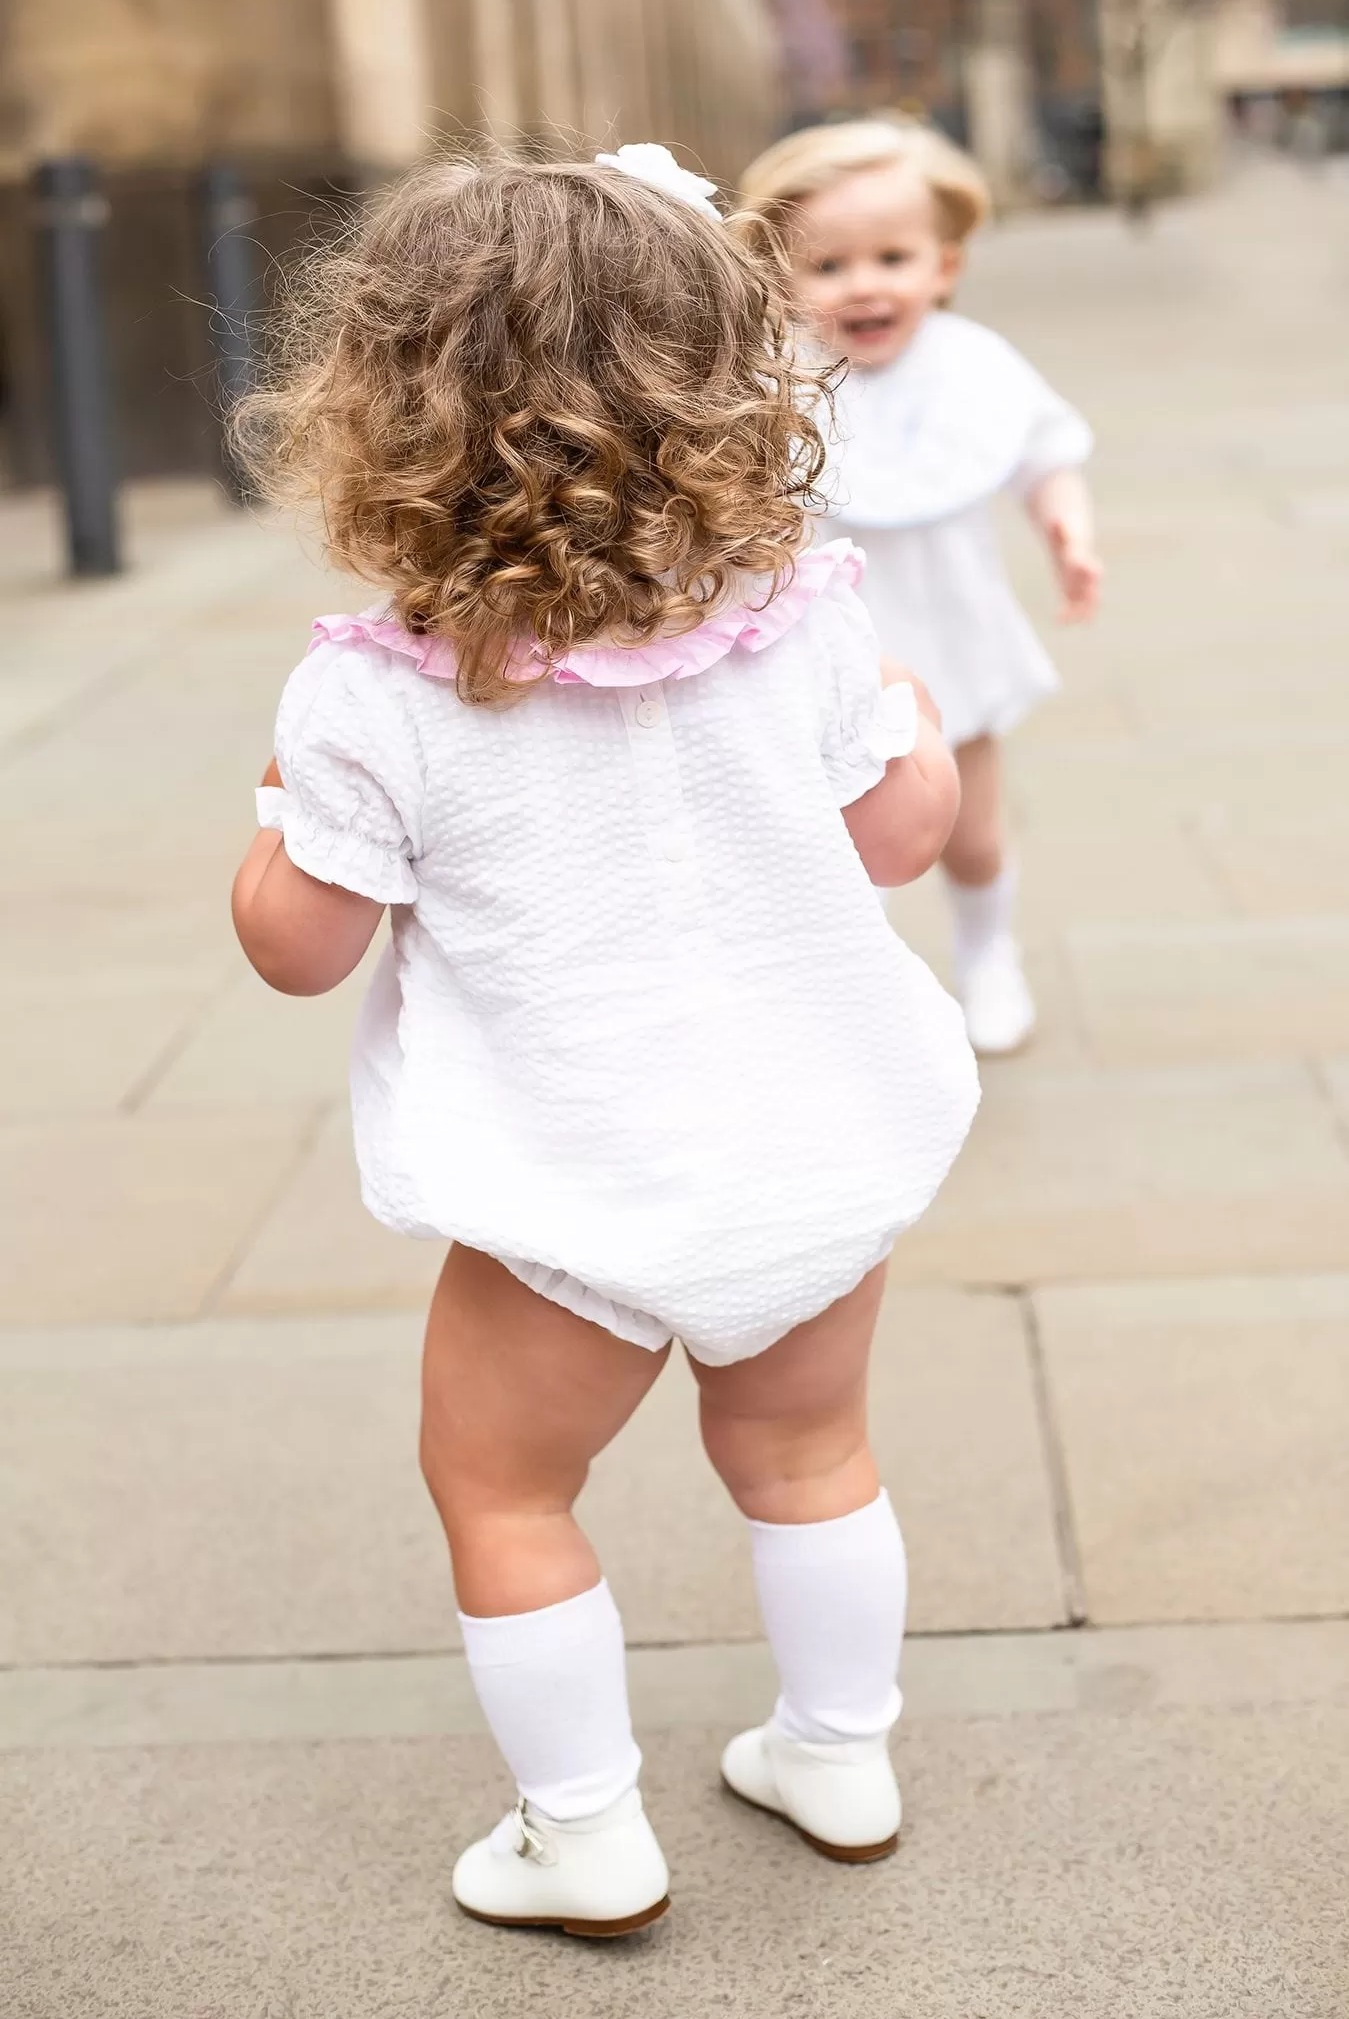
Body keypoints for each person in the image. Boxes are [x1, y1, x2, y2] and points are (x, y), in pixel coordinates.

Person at [230, 145, 979, 1939]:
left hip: (571, 1177)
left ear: (383, 401)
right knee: (807, 1457)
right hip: (812, 1147)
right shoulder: (794, 621)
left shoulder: (374, 693)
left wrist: (276, 834)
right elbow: (894, 839)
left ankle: (582, 1831)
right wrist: (922, 742)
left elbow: (298, 949)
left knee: (501, 1480)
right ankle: (835, 1744)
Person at [741, 120, 1102, 1054]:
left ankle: (988, 955)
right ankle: (854, 984)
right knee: (838, 850)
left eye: (892, 258)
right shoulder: (774, 377)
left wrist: (1066, 528)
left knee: (970, 834)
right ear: (778, 279)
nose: (865, 284)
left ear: (942, 266)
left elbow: (1046, 452)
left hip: (953, 638)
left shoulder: (974, 363)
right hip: (822, 654)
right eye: (828, 267)